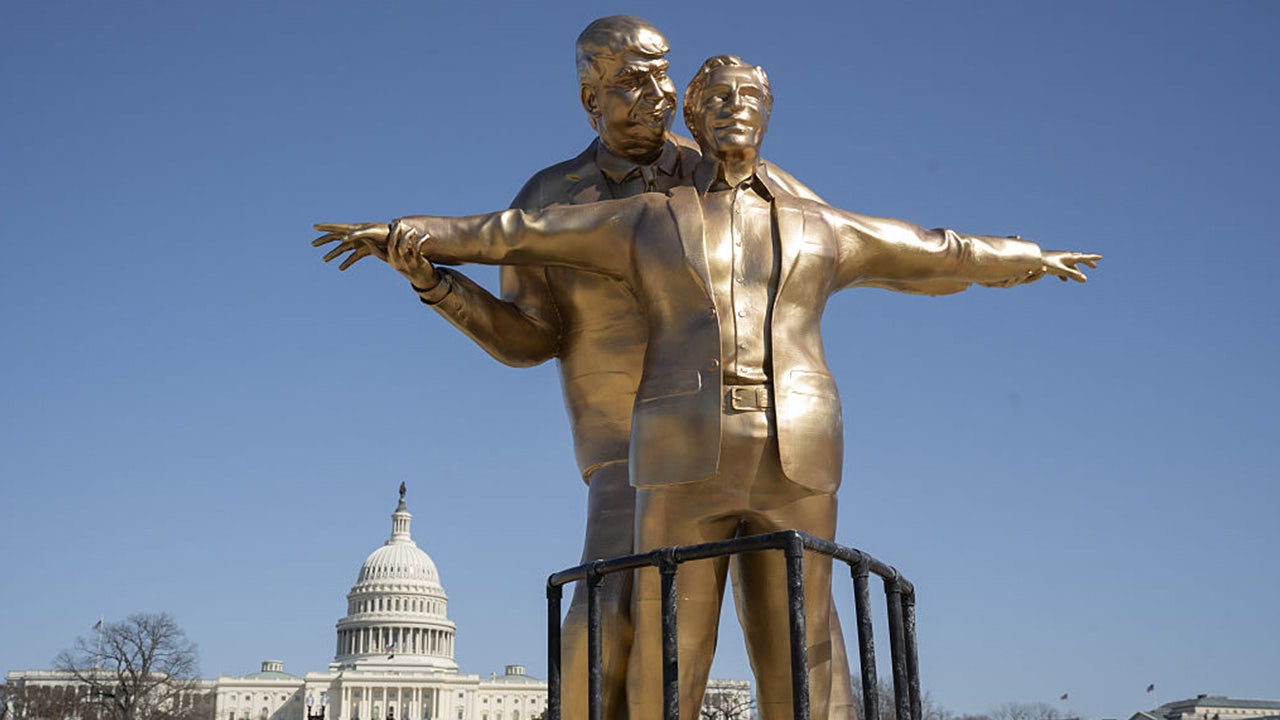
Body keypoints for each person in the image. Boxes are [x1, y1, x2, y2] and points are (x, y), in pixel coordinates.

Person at [319, 55, 1099, 720]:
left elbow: (935, 251)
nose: (735, 108)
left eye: (750, 97)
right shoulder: (647, 218)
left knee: (804, 652)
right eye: (718, 98)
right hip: (679, 455)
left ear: (769, 115)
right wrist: (406, 234)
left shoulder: (821, 224)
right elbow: (513, 233)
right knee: (669, 658)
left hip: (797, 450)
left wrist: (1026, 255)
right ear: (692, 119)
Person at [314, 18, 856, 720]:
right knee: (608, 625)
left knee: (802, 631)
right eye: (632, 80)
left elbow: (826, 239)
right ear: (589, 98)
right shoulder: (550, 196)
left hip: (752, 436)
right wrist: (437, 285)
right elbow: (529, 338)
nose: (658, 94)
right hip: (622, 451)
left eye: (663, 74)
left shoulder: (728, 170)